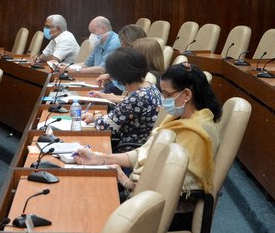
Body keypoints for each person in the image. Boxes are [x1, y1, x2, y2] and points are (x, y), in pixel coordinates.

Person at [75, 62, 221, 200]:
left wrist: (126, 182)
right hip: (145, 192)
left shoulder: (195, 131)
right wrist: (100, 158)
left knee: (91, 197)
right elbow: (145, 153)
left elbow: (173, 184)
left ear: (187, 95)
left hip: (165, 206)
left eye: (168, 95)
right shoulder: (178, 117)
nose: (164, 100)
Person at [82, 47, 161, 150]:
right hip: (138, 145)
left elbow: (104, 127)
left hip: (129, 150)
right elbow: (120, 116)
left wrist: (96, 114)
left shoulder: (137, 97)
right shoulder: (150, 87)